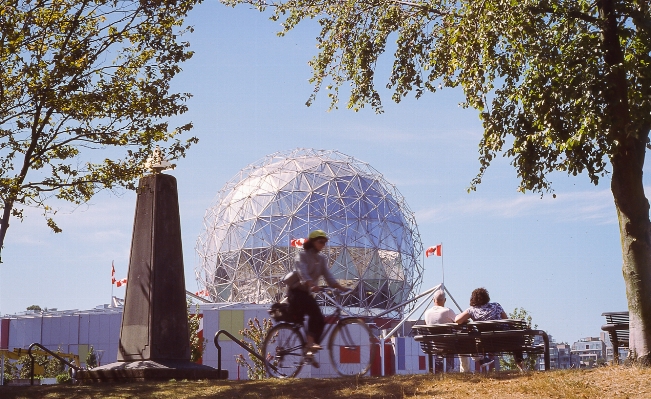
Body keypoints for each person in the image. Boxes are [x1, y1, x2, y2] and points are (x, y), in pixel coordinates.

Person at [290, 230, 347, 357]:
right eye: (320, 242)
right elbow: (302, 271)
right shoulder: (302, 255)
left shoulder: (321, 259)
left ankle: (310, 348)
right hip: (296, 292)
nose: (323, 245)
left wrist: (340, 287)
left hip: (307, 294)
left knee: (320, 319)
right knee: (315, 314)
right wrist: (310, 283)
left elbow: (328, 275)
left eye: (325, 242)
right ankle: (309, 344)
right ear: (312, 242)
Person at [455, 287, 524, 372]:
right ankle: (520, 364)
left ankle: (478, 361)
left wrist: (467, 320)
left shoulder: (472, 310)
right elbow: (507, 321)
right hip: (503, 341)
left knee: (470, 333)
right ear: (486, 297)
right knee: (515, 334)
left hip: (486, 343)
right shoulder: (496, 306)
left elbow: (457, 320)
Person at [423, 289, 460, 372]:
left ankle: (431, 370)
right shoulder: (448, 311)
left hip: (433, 345)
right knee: (464, 340)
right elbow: (458, 321)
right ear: (445, 300)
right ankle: (465, 369)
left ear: (433, 300)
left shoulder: (427, 313)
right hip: (448, 345)